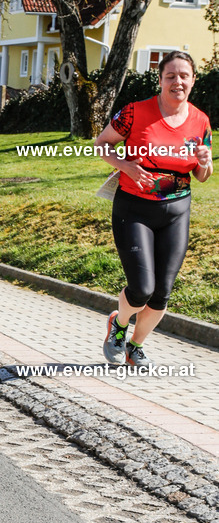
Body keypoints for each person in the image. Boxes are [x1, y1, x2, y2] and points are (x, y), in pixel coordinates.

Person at [95, 51, 212, 368]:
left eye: (184, 76)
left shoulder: (200, 120)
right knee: (142, 288)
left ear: (192, 80)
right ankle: (118, 325)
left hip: (176, 210)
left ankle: (135, 346)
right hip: (134, 207)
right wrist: (126, 166)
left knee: (161, 293)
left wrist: (205, 164)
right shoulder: (135, 112)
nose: (178, 81)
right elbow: (102, 143)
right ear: (160, 80)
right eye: (170, 76)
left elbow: (202, 175)